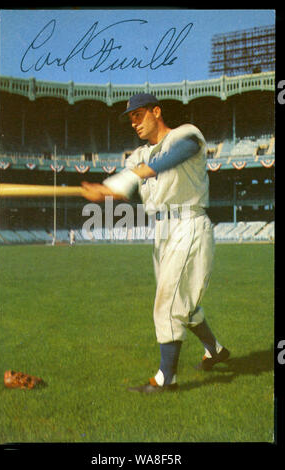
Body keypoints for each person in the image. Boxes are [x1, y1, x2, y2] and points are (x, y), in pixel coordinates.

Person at [81, 93, 230, 393]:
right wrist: (104, 191)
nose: (134, 122)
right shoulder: (137, 157)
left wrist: (141, 172)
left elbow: (176, 155)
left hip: (189, 223)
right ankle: (215, 350)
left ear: (156, 112)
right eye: (131, 118)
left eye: (139, 115)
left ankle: (166, 379)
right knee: (183, 305)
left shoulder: (184, 134)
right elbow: (128, 185)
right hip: (162, 230)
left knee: (169, 302)